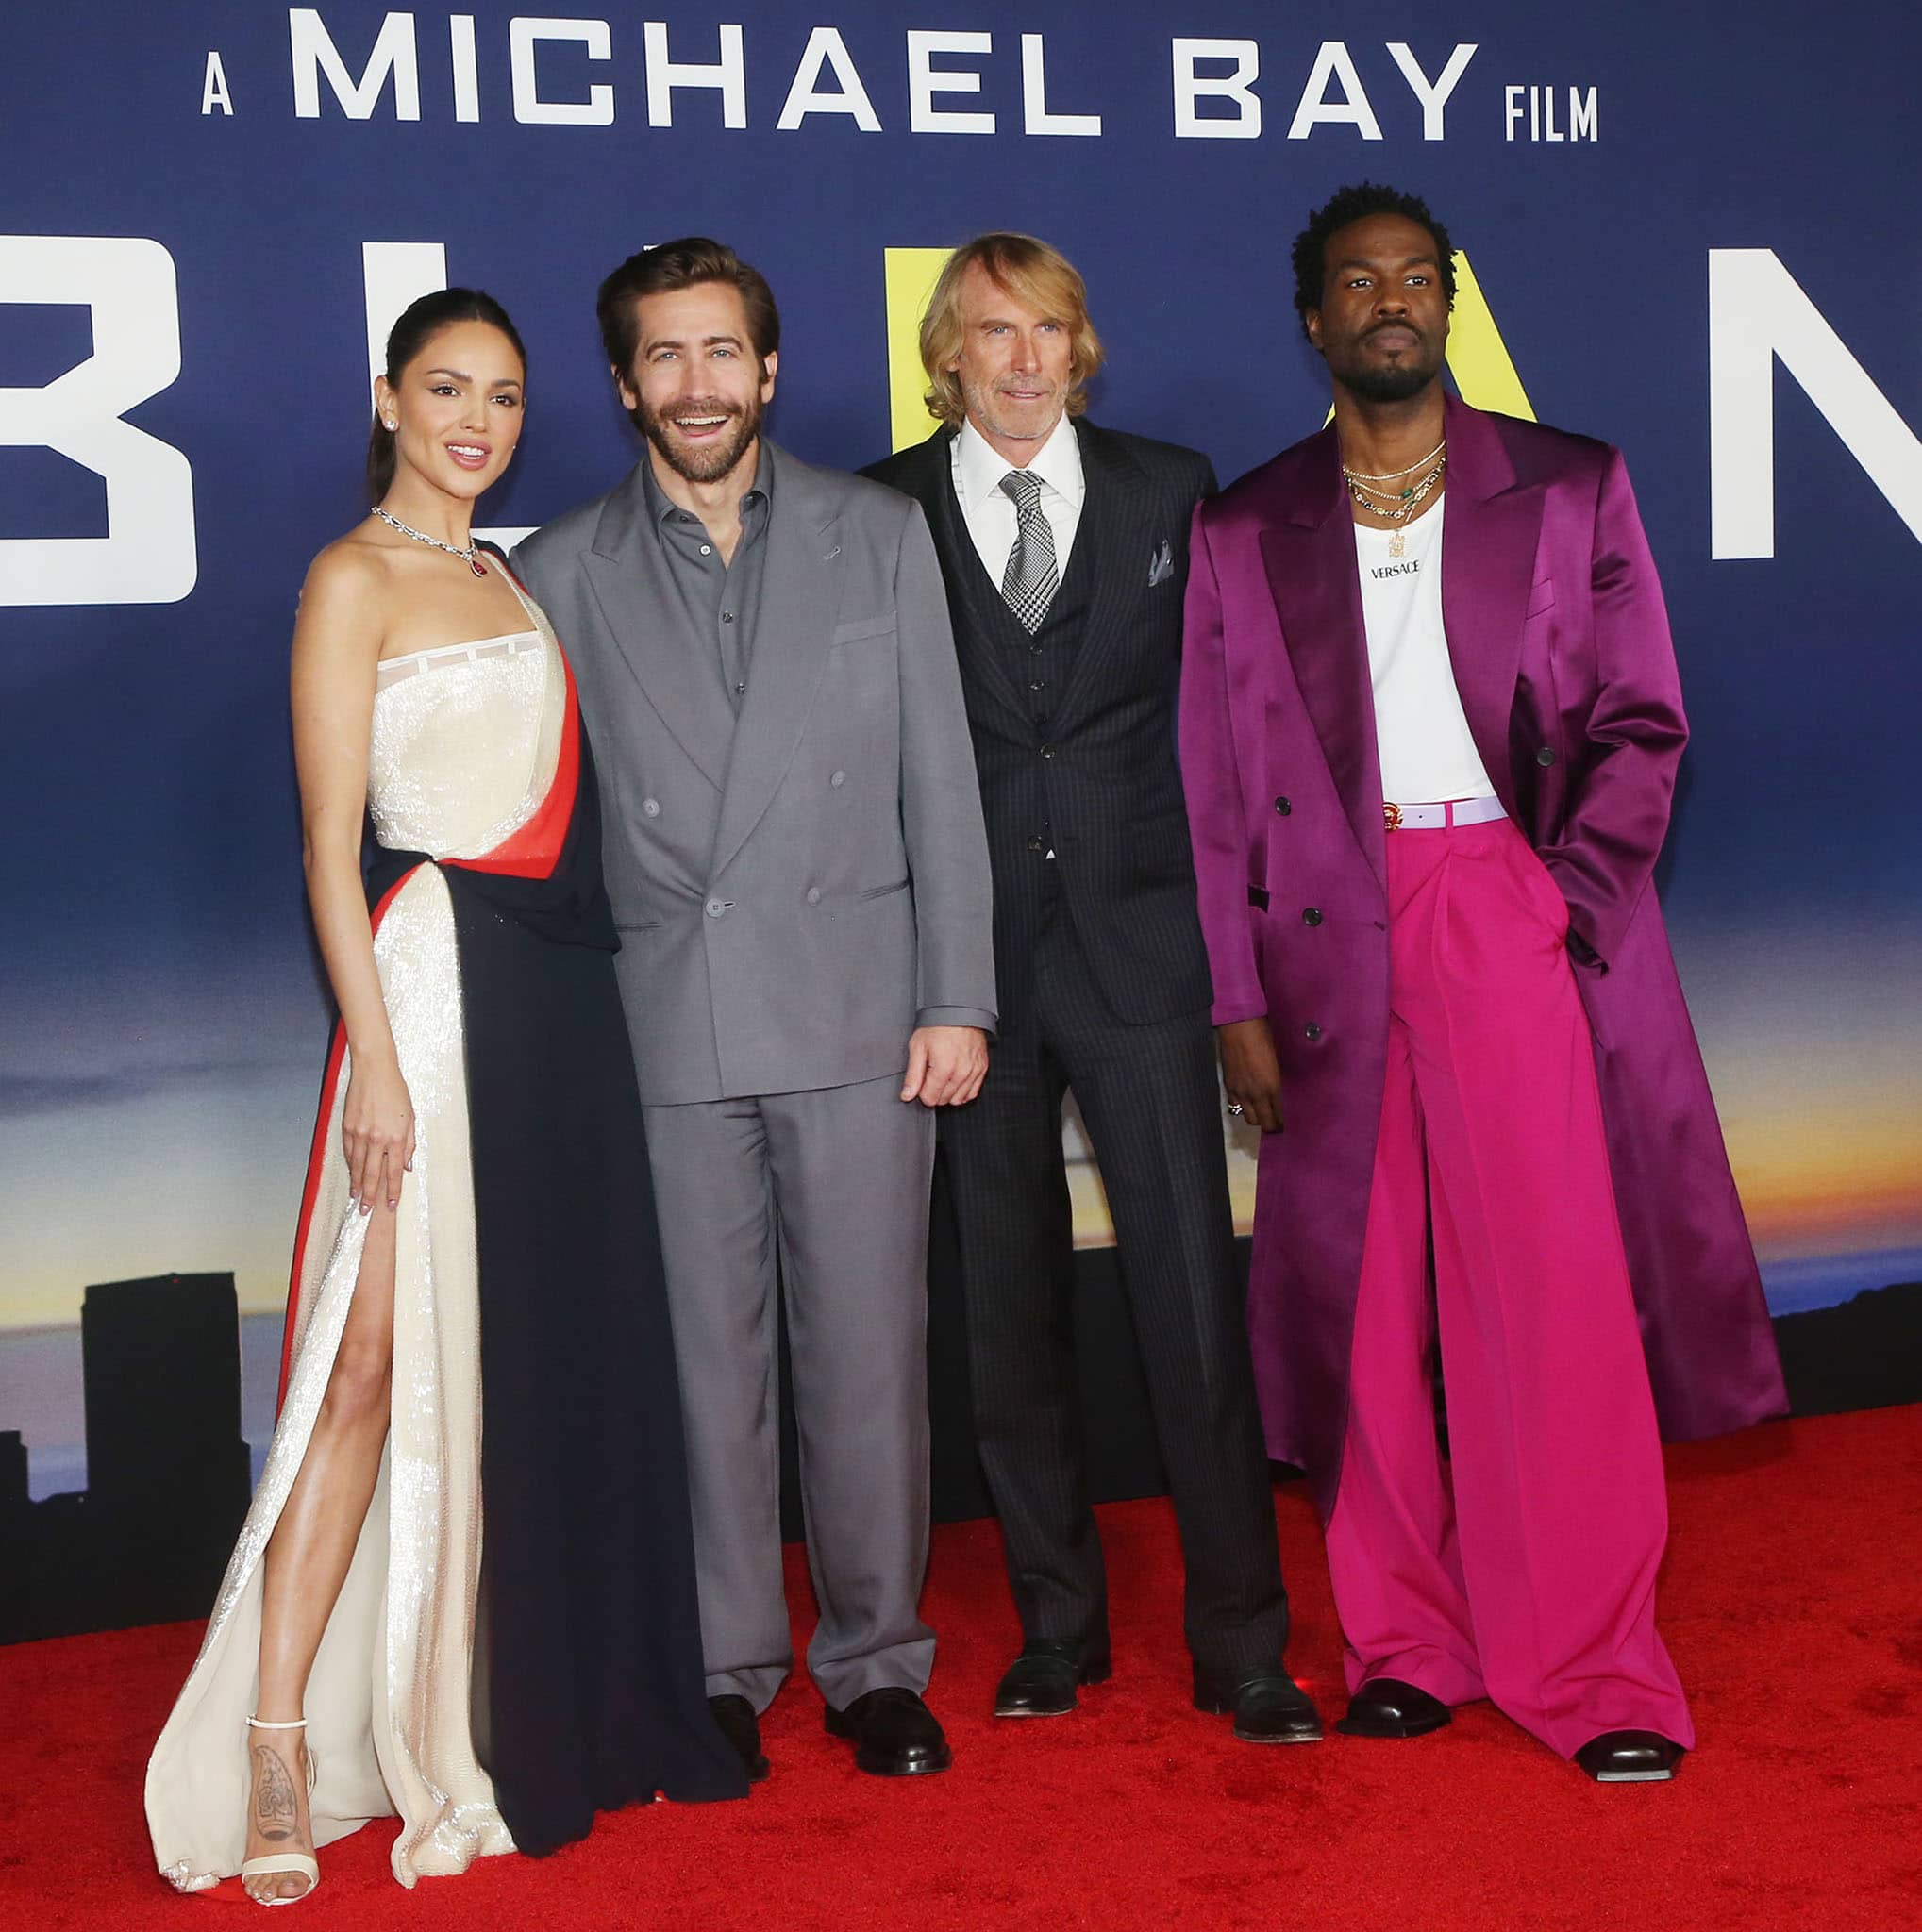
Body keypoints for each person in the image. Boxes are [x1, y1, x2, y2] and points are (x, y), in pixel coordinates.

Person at [1178, 183, 1789, 1782]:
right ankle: (1407, 1642)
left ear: (1444, 305)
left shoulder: (1571, 485)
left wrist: (1562, 903)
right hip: (1324, 931)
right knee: (1367, 1309)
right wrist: (1232, 996)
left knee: (1549, 1303)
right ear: (1309, 319)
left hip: (1503, 910)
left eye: (1414, 278)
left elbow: (1643, 720)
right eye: (1353, 281)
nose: (1388, 300)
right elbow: (1213, 785)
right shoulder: (1246, 527)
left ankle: (1590, 1666)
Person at [146, 290, 745, 1904]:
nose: (475, 419)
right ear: (391, 401)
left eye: (500, 395)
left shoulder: (504, 574)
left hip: (546, 1011)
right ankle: (275, 1743)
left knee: (496, 1373)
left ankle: (476, 1698)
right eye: (446, 389)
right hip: (422, 998)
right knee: (360, 1374)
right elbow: (328, 849)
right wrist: (380, 1067)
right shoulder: (349, 580)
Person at [513, 240, 995, 1783]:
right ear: (623, 384)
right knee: (705, 1374)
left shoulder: (879, 534)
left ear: (769, 371)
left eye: (723, 353)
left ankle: (873, 1661)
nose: (697, 384)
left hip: (863, 1009)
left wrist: (957, 995)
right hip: (666, 1016)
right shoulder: (556, 572)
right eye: (665, 357)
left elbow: (942, 783)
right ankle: (722, 1658)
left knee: (866, 1363)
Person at [861, 236, 1313, 1743]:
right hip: (962, 974)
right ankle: (1060, 1628)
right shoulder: (882, 513)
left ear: (1083, 344)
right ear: (945, 355)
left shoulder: (1171, 489)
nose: (1022, 358)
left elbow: (1238, 726)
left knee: (1192, 1309)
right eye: (990, 332)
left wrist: (1241, 948)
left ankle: (1242, 1640)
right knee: (1009, 1320)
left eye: (1048, 327)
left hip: (1144, 956)